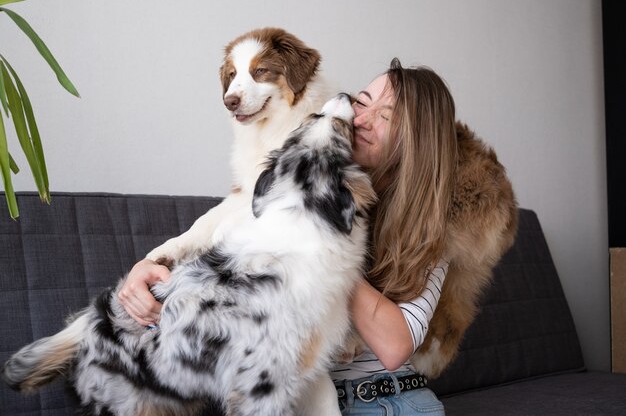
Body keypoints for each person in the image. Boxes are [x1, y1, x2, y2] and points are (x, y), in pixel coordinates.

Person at [119, 58, 457, 416]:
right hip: (298, 397)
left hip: (389, 401)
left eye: (386, 116)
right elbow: (224, 234)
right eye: (362, 102)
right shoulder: (295, 179)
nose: (360, 119)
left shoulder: (431, 230)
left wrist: (320, 247)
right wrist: (151, 263)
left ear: (416, 142)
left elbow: (395, 345)